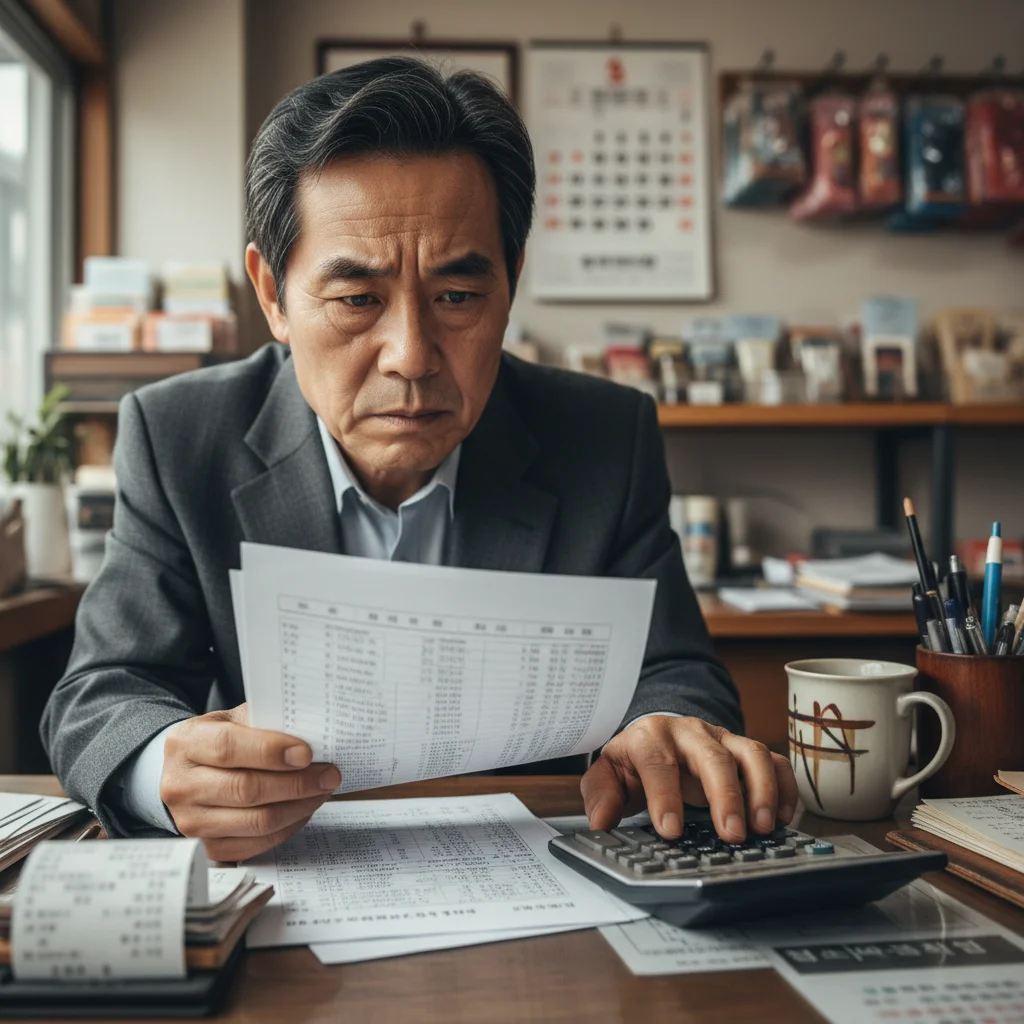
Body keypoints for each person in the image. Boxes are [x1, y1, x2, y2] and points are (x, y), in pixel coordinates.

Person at [42, 57, 796, 862]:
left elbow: (676, 668)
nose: (411, 355)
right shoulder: (180, 435)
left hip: (537, 889)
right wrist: (163, 771)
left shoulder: (603, 436)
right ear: (272, 295)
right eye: (357, 299)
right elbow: (102, 694)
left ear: (511, 281)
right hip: (287, 882)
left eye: (458, 297)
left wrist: (664, 729)